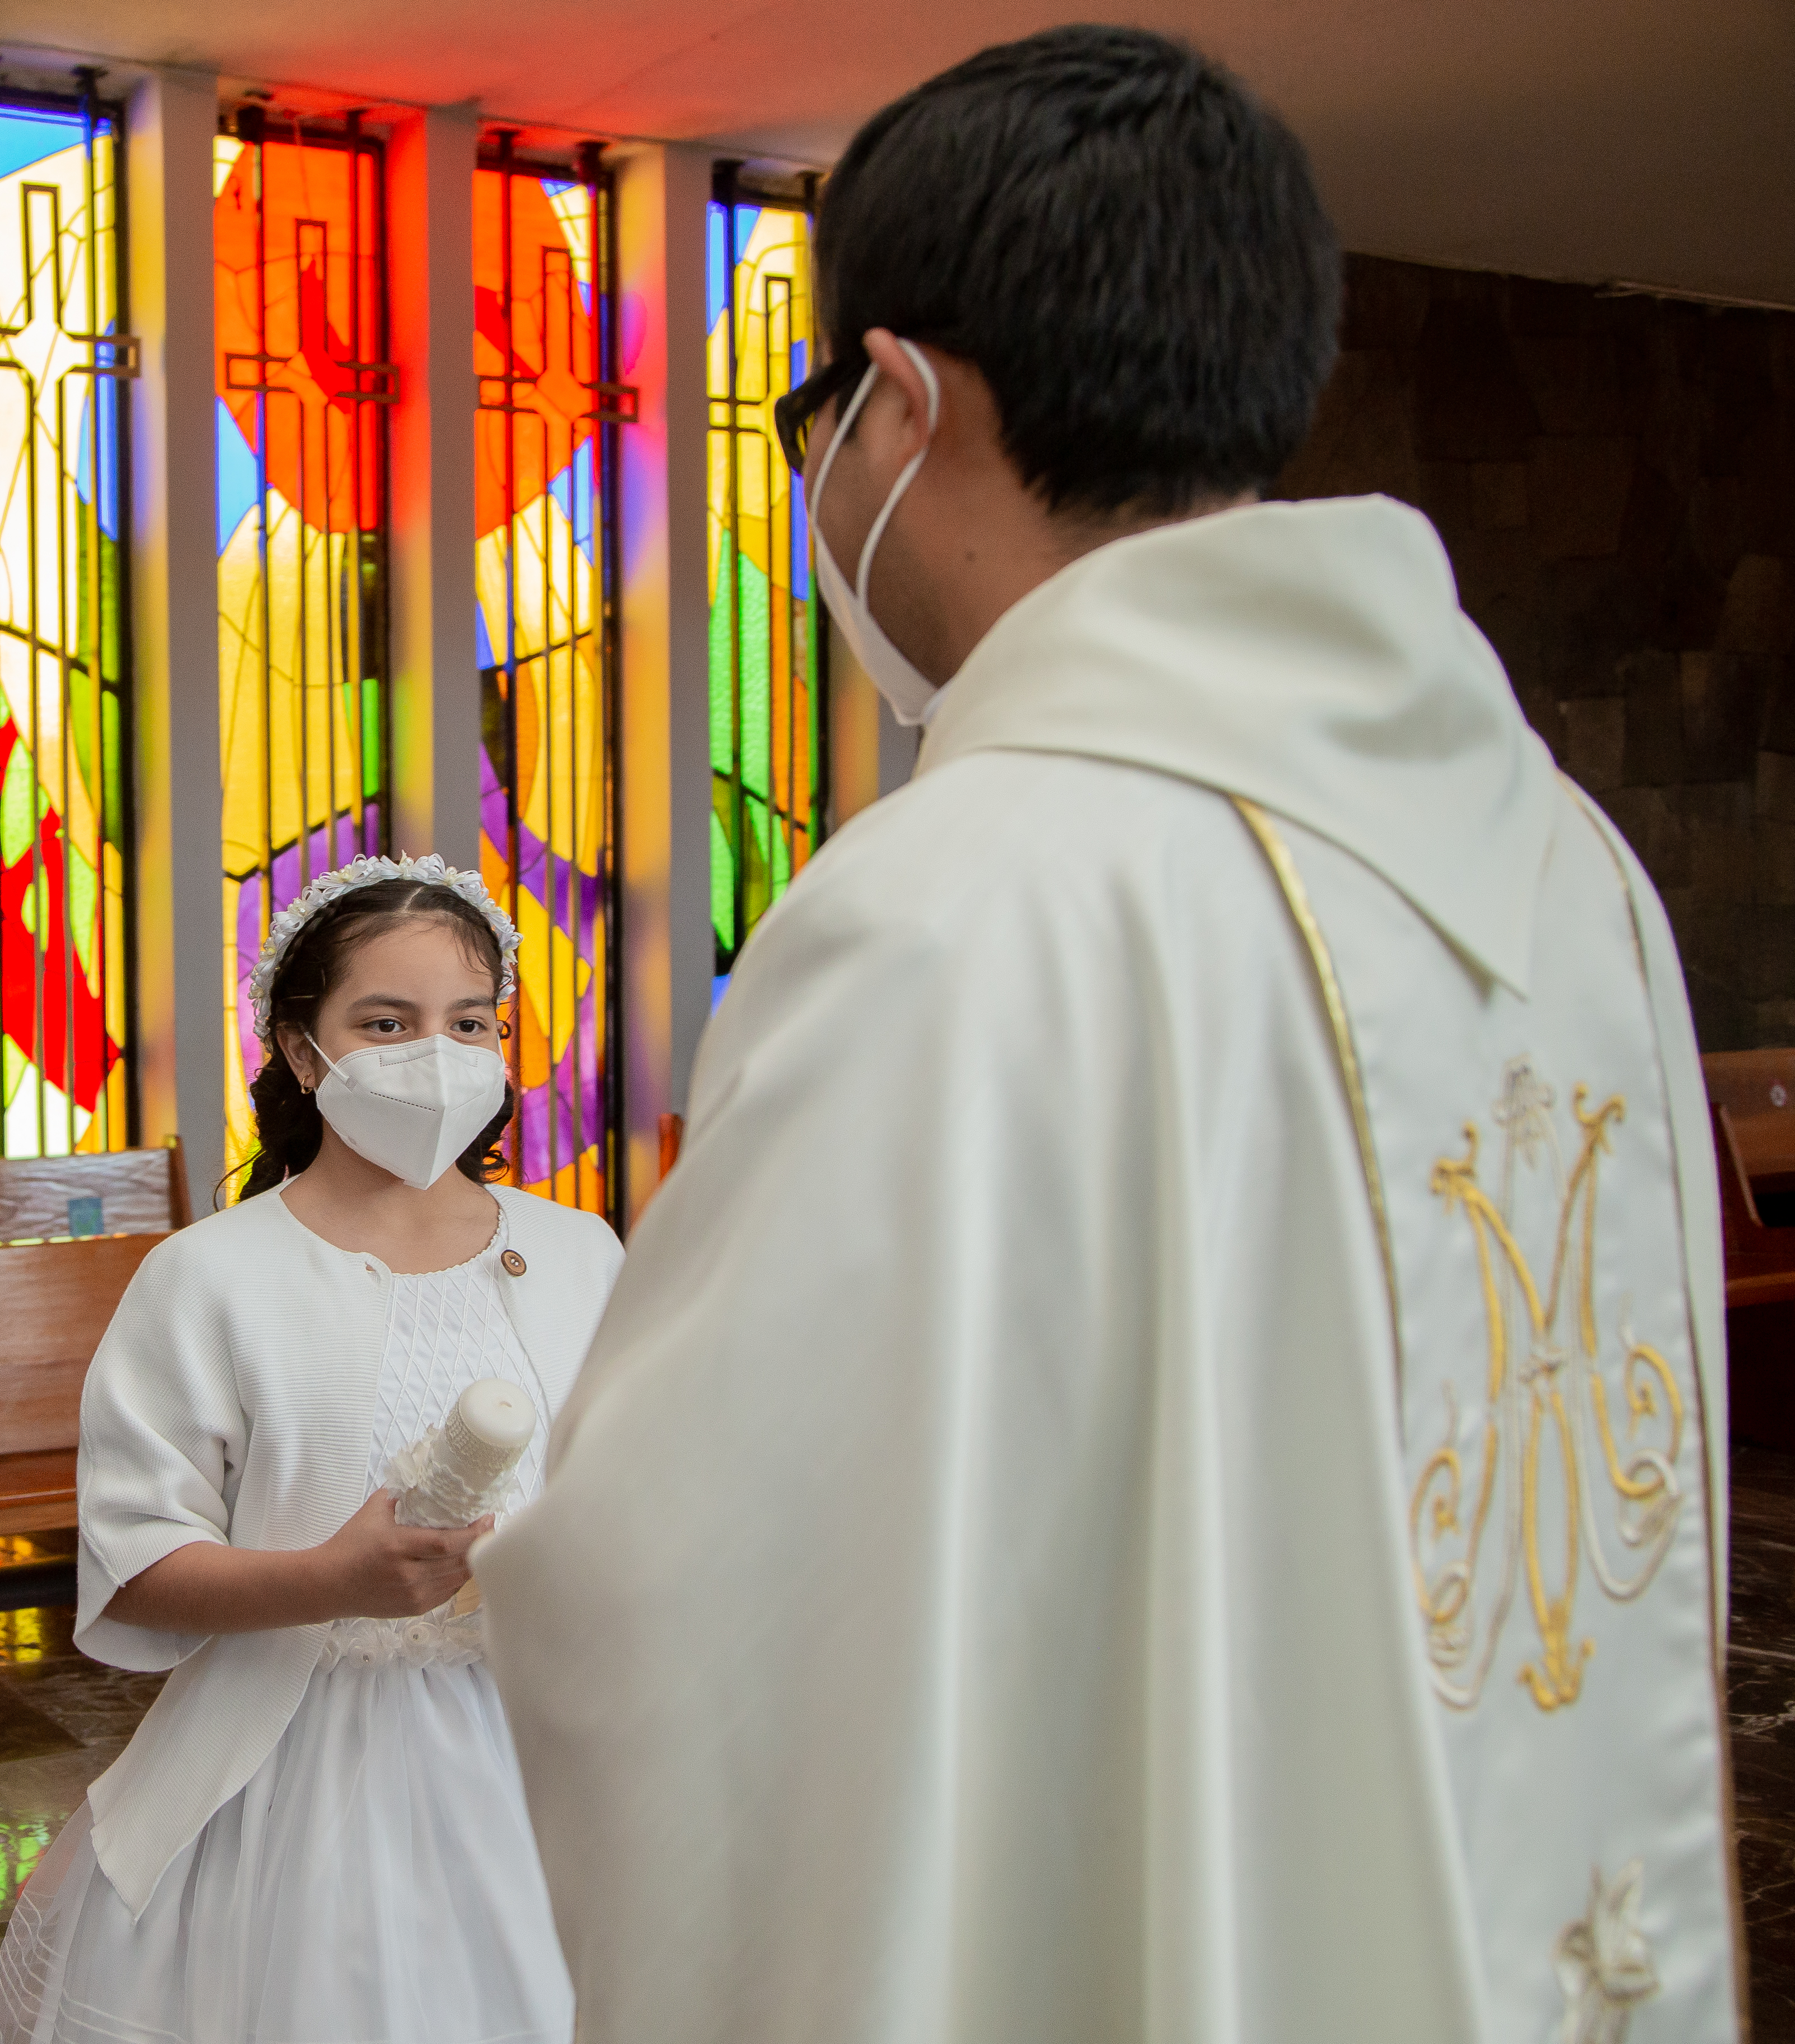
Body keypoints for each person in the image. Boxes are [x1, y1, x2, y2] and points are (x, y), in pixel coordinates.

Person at [480, 27, 1742, 2044]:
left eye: (815, 419)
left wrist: (531, 1519)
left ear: (900, 402)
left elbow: (687, 1615)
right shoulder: (1574, 858)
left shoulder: (958, 903)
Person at [0, 857, 621, 2044]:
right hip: (297, 1769)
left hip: (551, 1748)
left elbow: (635, 1491)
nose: (436, 1054)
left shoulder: (582, 1252)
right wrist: (336, 1578)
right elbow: (136, 1561)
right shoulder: (211, 1277)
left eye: (468, 1023)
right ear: (302, 1048)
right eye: (387, 1023)